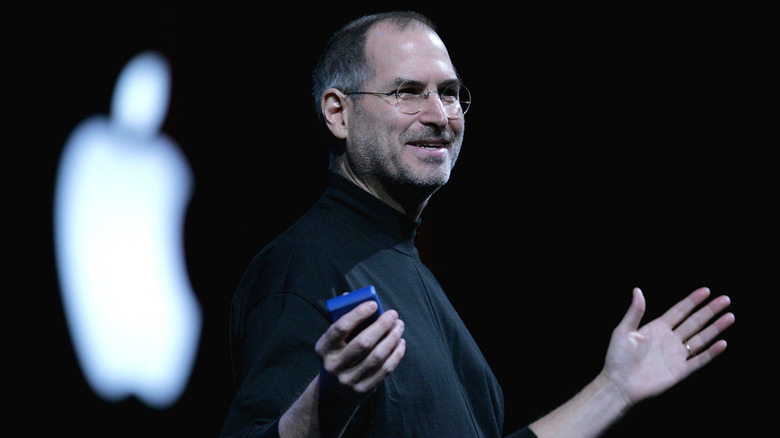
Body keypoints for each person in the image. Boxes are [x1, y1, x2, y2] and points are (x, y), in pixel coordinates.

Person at [219, 11, 735, 438]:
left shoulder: (404, 265)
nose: (440, 115)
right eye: (406, 92)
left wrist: (614, 388)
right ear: (338, 113)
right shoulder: (302, 269)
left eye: (449, 92)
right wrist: (323, 408)